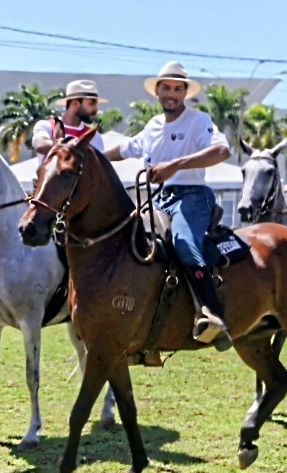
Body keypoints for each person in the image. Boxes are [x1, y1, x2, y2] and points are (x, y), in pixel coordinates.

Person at [103, 62, 233, 351]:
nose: (171, 93)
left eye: (178, 88)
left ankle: (212, 313)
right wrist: (90, 155)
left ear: (185, 92)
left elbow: (222, 151)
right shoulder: (152, 127)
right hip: (157, 198)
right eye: (166, 87)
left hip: (193, 196)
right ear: (158, 92)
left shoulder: (199, 121)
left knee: (184, 243)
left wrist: (175, 166)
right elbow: (124, 149)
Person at [32, 79, 106, 158]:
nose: (96, 110)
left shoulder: (95, 136)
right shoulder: (47, 126)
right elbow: (40, 145)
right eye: (92, 104)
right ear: (75, 104)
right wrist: (67, 145)